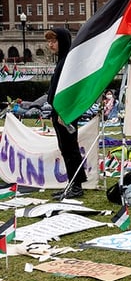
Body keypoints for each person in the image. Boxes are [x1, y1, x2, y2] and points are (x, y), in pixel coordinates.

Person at [46, 28, 86, 199]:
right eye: (48, 42)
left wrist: (64, 112)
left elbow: (69, 90)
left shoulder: (67, 62)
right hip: (60, 112)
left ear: (62, 41)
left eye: (53, 41)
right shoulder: (62, 61)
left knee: (70, 149)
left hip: (65, 113)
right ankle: (73, 183)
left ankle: (76, 186)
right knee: (66, 149)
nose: (50, 45)